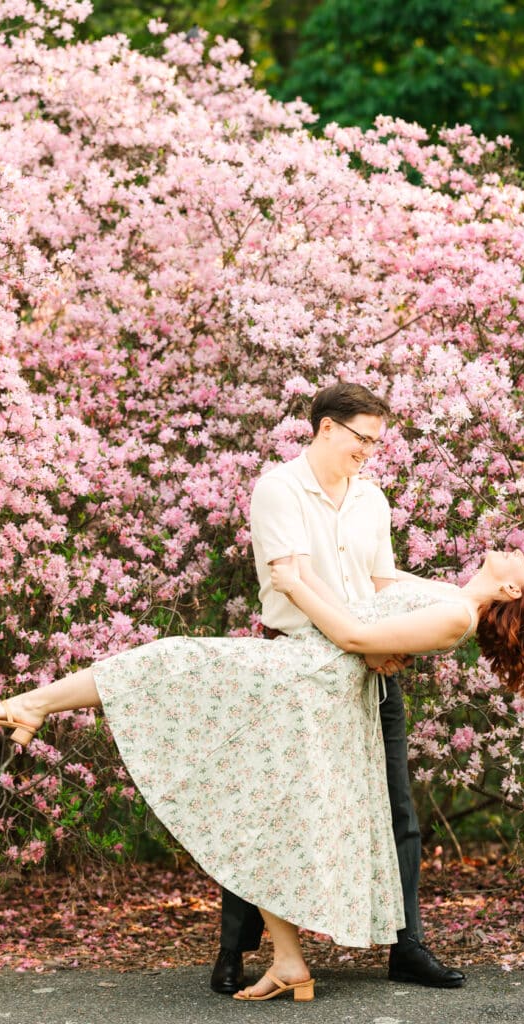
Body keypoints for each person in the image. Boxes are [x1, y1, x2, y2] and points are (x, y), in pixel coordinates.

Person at [0, 546, 524, 1003]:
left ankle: (33, 705)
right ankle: (290, 961)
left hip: (307, 684)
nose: (518, 550)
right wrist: (338, 600)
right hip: (305, 678)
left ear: (511, 588)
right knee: (259, 809)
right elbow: (372, 590)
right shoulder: (449, 595)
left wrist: (295, 584)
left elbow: (353, 635)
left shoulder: (456, 614)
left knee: (171, 659)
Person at [212, 382, 465, 998]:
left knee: (396, 807)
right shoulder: (279, 488)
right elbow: (292, 582)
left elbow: (381, 580)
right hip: (298, 665)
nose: (369, 451)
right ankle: (234, 948)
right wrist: (357, 639)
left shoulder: (371, 499)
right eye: (362, 438)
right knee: (270, 806)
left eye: (376, 441)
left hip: (370, 669)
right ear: (326, 427)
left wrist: (456, 598)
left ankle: (407, 946)